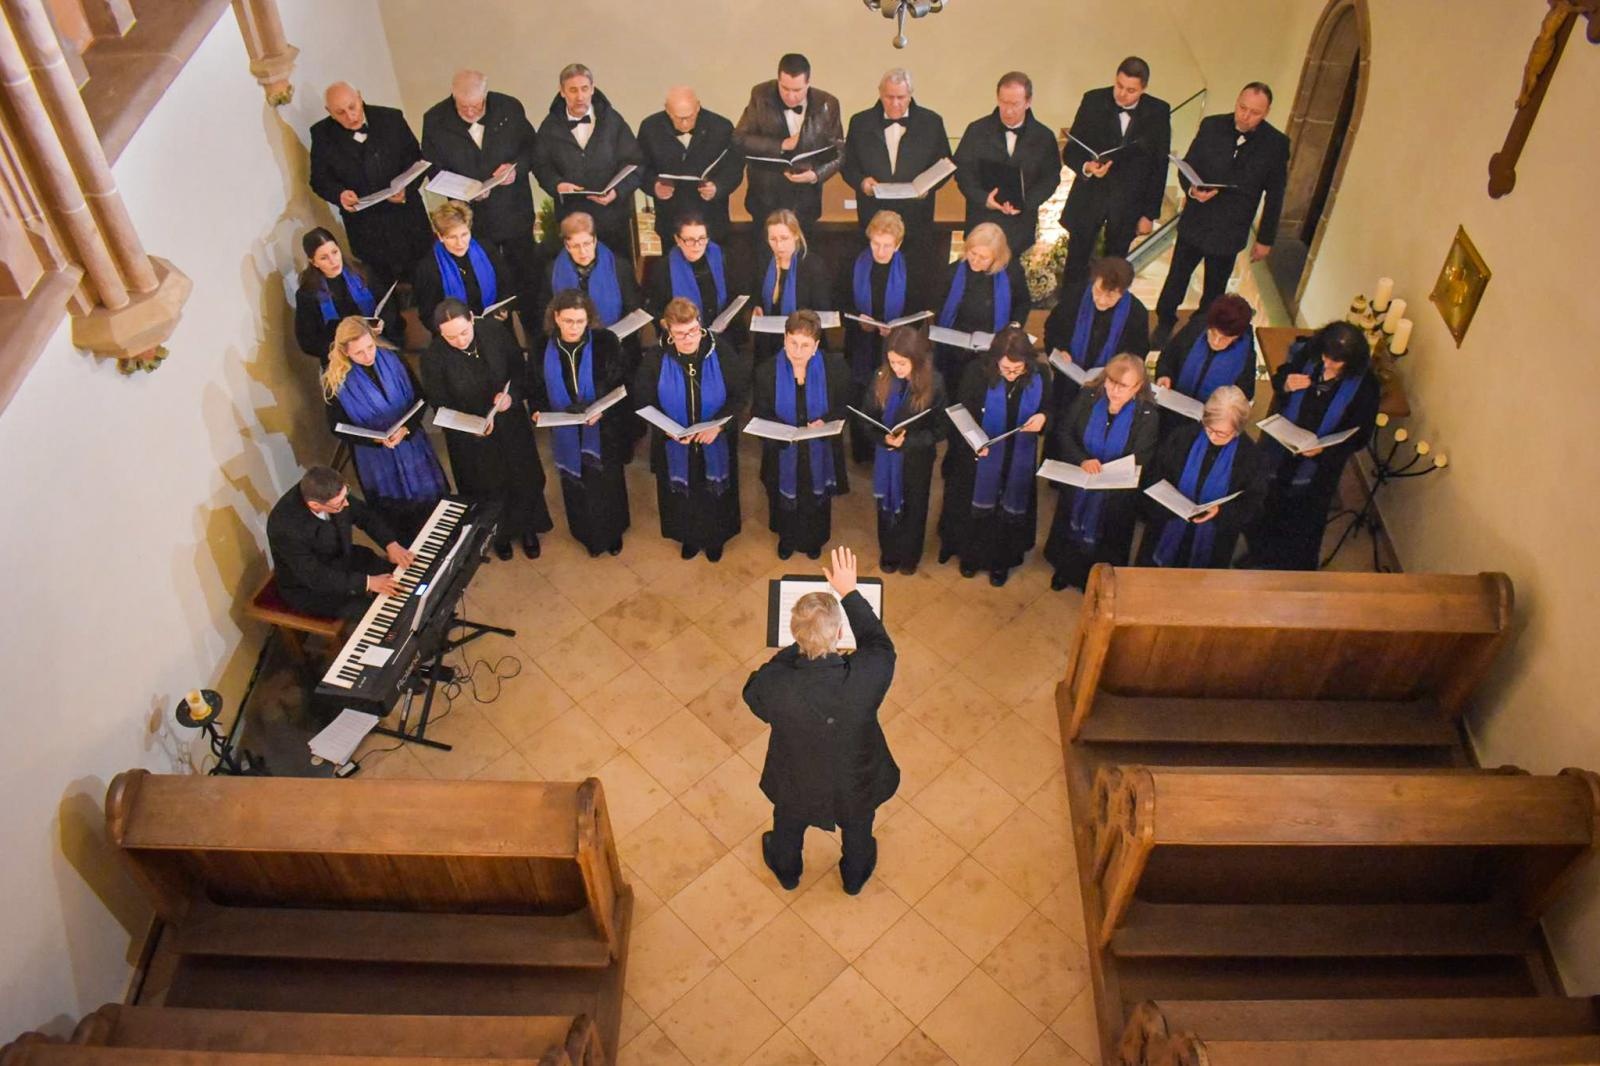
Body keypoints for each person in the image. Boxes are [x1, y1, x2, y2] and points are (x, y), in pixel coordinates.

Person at [743, 546, 898, 896]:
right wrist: (848, 591)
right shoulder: (869, 672)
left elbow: (754, 695)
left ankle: (787, 869)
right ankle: (854, 876)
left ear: (795, 636)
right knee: (859, 825)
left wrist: (792, 654)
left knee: (788, 822)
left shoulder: (775, 684)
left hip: (797, 777)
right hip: (856, 777)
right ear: (840, 636)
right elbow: (880, 643)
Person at [1152, 83, 1289, 346]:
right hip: (1197, 219)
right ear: (1236, 101)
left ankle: (1199, 329)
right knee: (1177, 277)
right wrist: (1192, 190)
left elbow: (1275, 195)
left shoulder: (1276, 144)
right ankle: (1165, 321)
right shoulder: (1212, 126)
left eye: (1254, 112)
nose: (1245, 116)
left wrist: (1265, 239)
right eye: (1242, 107)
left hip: (1230, 228)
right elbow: (1187, 166)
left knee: (1215, 287)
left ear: (1267, 113)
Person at [420, 299, 552, 560]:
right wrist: (469, 427)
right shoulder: (433, 358)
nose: (459, 341)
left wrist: (511, 397)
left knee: (522, 478)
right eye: (451, 337)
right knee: (488, 486)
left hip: (510, 423)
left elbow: (519, 371)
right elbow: (440, 404)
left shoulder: (494, 332)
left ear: (472, 318)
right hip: (471, 438)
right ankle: (499, 534)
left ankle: (527, 529)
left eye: (464, 332)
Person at [1246, 321, 1379, 571]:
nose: (1327, 365)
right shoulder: (1309, 354)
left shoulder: (1366, 387)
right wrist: (1287, 383)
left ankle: (1290, 572)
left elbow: (1360, 437)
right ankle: (1258, 557)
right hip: (1279, 454)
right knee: (1266, 508)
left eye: (1336, 362)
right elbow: (1280, 379)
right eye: (1326, 357)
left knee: (1300, 524)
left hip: (1316, 471)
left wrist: (1324, 450)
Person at [634, 297, 751, 561]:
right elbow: (643, 399)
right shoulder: (656, 357)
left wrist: (719, 427)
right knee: (682, 495)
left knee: (715, 492)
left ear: (700, 324)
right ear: (668, 331)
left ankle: (715, 538)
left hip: (715, 439)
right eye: (680, 334)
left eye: (693, 331)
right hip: (674, 441)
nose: (688, 339)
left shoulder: (720, 350)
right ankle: (688, 536)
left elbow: (740, 394)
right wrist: (666, 429)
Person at [420, 70, 543, 319]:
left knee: (527, 275)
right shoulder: (435, 119)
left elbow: (531, 148)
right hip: (472, 221)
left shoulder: (509, 107)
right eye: (462, 106)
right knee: (485, 280)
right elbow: (433, 168)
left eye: (476, 105)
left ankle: (533, 328)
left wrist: (515, 169)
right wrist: (464, 190)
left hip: (513, 211)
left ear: (486, 95)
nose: (470, 112)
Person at [937, 327, 1049, 586]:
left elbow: (1049, 408)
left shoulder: (1040, 374)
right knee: (974, 509)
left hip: (1017, 456)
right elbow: (962, 414)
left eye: (1017, 369)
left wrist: (1043, 418)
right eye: (1005, 368)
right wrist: (975, 442)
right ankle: (970, 556)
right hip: (980, 454)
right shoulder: (976, 373)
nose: (1011, 375)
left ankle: (1001, 561)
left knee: (1006, 513)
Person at [321, 316, 448, 542]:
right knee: (394, 512)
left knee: (430, 499)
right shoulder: (335, 381)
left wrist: (407, 428)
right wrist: (375, 440)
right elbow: (337, 427)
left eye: (370, 347)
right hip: (374, 456)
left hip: (410, 442)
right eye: (359, 352)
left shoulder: (394, 358)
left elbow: (420, 397)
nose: (368, 355)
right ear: (344, 351)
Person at [1042, 353, 1160, 591]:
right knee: (1069, 529)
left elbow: (1143, 455)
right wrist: (1082, 459)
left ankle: (1095, 580)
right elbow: (1065, 432)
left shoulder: (1147, 416)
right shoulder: (1088, 397)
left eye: (1123, 386)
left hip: (1115, 495)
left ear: (1138, 387)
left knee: (1107, 538)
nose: (1114, 391)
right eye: (1111, 382)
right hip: (1080, 482)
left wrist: (1110, 472)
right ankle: (1065, 570)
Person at [528, 289, 631, 557]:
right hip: (565, 430)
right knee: (576, 486)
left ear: (589, 320)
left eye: (580, 321)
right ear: (556, 318)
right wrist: (538, 410)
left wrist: (603, 412)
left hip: (602, 428)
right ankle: (587, 535)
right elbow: (534, 387)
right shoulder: (541, 347)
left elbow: (621, 385)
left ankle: (613, 532)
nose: (574, 327)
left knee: (607, 483)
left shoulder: (606, 342)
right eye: (568, 321)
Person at [1058, 58, 1172, 289]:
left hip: (1128, 203)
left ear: (1144, 88)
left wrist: (1149, 214)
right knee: (1076, 264)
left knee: (1115, 270)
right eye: (1119, 86)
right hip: (1090, 198)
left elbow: (1159, 166)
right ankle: (1069, 313)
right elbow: (1071, 150)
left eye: (1131, 90)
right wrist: (1088, 167)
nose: (1122, 94)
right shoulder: (1093, 100)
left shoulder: (1159, 111)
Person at [309, 82, 433, 285]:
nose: (350, 116)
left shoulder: (391, 119)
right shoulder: (322, 135)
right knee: (380, 284)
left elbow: (416, 159)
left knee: (424, 277)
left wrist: (406, 189)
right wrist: (339, 194)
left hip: (407, 218)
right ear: (328, 112)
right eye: (340, 112)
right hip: (366, 228)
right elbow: (319, 180)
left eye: (352, 107)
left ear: (359, 97)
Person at [841, 68, 952, 292]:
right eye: (889, 97)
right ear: (880, 93)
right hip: (873, 214)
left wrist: (928, 186)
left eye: (901, 97)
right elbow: (847, 164)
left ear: (910, 94)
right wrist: (862, 182)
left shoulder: (931, 122)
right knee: (874, 279)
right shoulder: (860, 122)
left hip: (916, 216)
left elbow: (945, 164)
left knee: (914, 277)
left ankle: (910, 326)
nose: (895, 103)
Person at [754, 310, 852, 560]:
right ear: (784, 338)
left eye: (805, 345)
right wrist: (781, 431)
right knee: (781, 497)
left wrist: (826, 421)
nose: (798, 351)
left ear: (816, 345)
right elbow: (760, 411)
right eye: (792, 342)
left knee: (815, 498)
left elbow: (846, 405)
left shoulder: (834, 368)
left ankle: (814, 540)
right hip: (782, 450)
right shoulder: (767, 371)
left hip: (819, 448)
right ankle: (786, 539)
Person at [1137, 385, 1263, 569]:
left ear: (1238, 429)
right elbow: (1156, 473)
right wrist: (1167, 499)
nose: (1212, 436)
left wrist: (1221, 512)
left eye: (1221, 433)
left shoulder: (1249, 455)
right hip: (1168, 523)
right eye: (1209, 428)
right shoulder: (1183, 436)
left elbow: (1253, 502)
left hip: (1213, 534)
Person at [266, 465, 414, 620]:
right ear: (315, 505)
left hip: (344, 557)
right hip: (313, 588)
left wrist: (391, 544)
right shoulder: (285, 528)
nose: (347, 504)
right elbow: (315, 576)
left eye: (346, 496)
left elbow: (365, 515)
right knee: (382, 614)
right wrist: (368, 582)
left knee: (403, 578)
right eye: (340, 503)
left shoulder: (330, 491)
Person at [857, 326, 945, 575]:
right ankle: (890, 553)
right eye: (892, 361)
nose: (896, 368)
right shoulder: (881, 376)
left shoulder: (934, 383)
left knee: (915, 508)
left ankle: (909, 557)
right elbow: (866, 419)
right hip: (886, 456)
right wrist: (883, 438)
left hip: (916, 459)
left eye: (902, 363)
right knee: (885, 505)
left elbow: (940, 429)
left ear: (916, 359)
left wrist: (908, 442)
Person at [839, 210, 924, 463]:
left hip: (897, 346)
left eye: (887, 245)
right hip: (861, 342)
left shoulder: (912, 268)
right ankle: (863, 452)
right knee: (862, 395)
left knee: (891, 396)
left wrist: (898, 327)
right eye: (875, 243)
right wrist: (858, 318)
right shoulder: (854, 262)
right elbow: (839, 301)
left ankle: (890, 446)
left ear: (898, 245)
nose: (880, 251)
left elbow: (919, 309)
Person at [533, 63, 644, 257]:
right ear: (562, 92)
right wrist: (557, 185)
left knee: (615, 274)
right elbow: (541, 165)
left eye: (585, 89)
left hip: (612, 219)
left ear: (593, 88)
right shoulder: (550, 126)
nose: (580, 96)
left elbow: (635, 163)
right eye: (573, 90)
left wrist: (617, 192)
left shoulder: (612, 121)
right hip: (572, 218)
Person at [1041, 255, 1148, 451]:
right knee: (1060, 427)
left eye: (1110, 296)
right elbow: (1053, 329)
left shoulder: (1137, 313)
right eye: (1098, 291)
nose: (1101, 300)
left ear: (1123, 293)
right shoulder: (1075, 296)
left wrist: (1114, 370)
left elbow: (1137, 354)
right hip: (1068, 380)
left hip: (1106, 388)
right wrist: (1060, 348)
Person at [734, 53, 845, 241]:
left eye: (797, 90)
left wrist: (816, 174)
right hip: (765, 196)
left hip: (805, 200)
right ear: (778, 79)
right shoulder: (760, 95)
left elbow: (839, 153)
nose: (791, 96)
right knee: (766, 261)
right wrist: (781, 144)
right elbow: (739, 140)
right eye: (785, 88)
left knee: (803, 261)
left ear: (808, 83)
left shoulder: (827, 103)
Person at [953, 71, 1061, 261]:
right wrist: (984, 198)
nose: (1008, 110)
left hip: (1020, 227)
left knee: (1013, 284)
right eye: (1003, 102)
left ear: (1028, 102)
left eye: (1015, 104)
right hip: (981, 222)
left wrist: (1025, 203)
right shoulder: (976, 130)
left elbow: (1050, 179)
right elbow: (963, 173)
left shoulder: (1044, 137)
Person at [637, 86, 745, 246]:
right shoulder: (650, 128)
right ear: (667, 110)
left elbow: (734, 168)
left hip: (712, 219)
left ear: (698, 107)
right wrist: (654, 186)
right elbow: (640, 168)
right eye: (679, 118)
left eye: (690, 116)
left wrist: (718, 187)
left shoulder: (721, 127)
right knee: (672, 268)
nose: (685, 123)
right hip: (671, 220)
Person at [931, 222, 1031, 396]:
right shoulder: (954, 270)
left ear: (997, 258)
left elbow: (1023, 303)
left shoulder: (1011, 273)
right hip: (955, 347)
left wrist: (1014, 327)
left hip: (992, 347)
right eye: (972, 253)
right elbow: (939, 304)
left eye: (983, 258)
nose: (975, 261)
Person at [1153, 292, 1257, 435]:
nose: (1215, 342)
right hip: (1170, 411)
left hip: (1206, 427)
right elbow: (1169, 356)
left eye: (1224, 339)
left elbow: (1245, 395)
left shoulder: (1245, 355)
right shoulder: (1196, 328)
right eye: (1213, 333)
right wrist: (1164, 375)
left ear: (1236, 337)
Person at [293, 228, 399, 365]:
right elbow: (308, 341)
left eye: (335, 252)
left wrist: (383, 323)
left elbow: (388, 306)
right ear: (313, 262)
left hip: (376, 344)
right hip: (340, 358)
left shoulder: (363, 272)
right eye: (324, 258)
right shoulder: (307, 294)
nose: (333, 261)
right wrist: (343, 346)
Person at [412, 200, 514, 331]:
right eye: (452, 237)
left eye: (464, 234)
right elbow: (428, 315)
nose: (460, 243)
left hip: (495, 325)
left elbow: (506, 285)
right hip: (456, 336)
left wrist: (503, 309)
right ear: (440, 237)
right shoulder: (428, 268)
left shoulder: (487, 249)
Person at [750, 209, 832, 363]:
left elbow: (822, 310)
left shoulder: (813, 265)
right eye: (773, 239)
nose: (779, 245)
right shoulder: (764, 262)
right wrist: (757, 306)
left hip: (802, 342)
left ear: (795, 235)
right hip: (769, 341)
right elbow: (756, 294)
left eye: (784, 238)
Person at [646, 212, 734, 326]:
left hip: (722, 332)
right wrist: (665, 323)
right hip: (682, 336)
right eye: (690, 240)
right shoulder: (663, 269)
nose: (697, 245)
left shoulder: (721, 257)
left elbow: (734, 296)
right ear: (677, 239)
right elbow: (655, 309)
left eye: (702, 238)